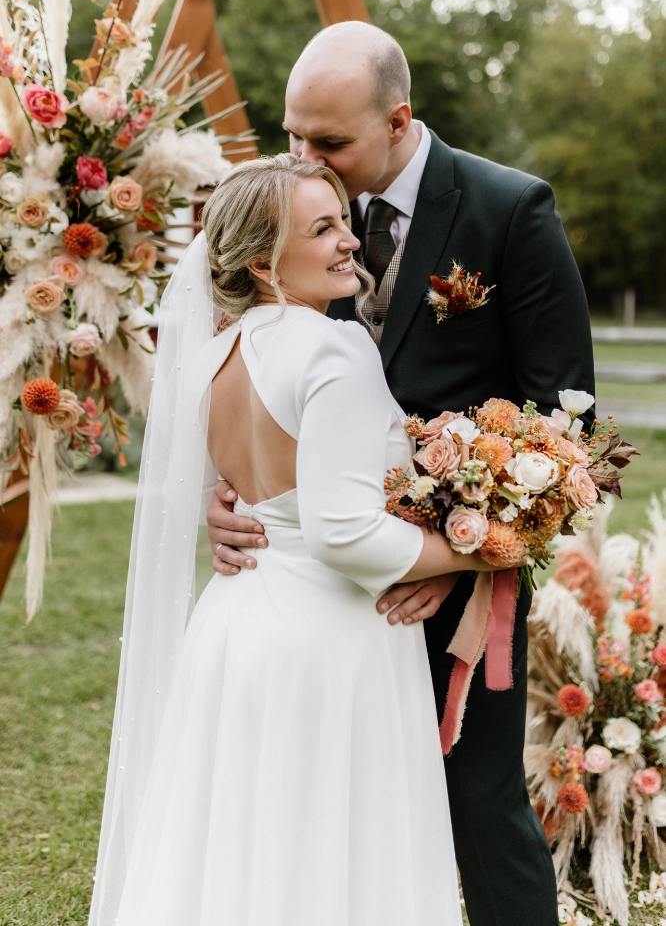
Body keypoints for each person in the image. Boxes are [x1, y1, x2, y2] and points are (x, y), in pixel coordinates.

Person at [206, 21, 596, 926]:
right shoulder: (294, 214)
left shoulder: (509, 210)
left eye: (329, 142)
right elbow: (257, 372)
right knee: (334, 808)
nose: (306, 159)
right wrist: (231, 496)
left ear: (397, 119)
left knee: (477, 802)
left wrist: (468, 550)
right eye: (293, 135)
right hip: (321, 594)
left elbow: (566, 422)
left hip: (466, 587)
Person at [89, 154, 498, 926]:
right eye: (322, 229)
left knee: (247, 844)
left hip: (234, 627)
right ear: (261, 262)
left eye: (342, 220)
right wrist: (484, 547)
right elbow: (344, 533)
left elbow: (222, 491)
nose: (350, 240)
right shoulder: (332, 347)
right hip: (330, 640)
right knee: (329, 848)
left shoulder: (215, 354)